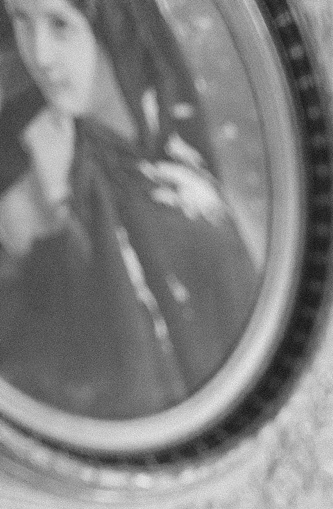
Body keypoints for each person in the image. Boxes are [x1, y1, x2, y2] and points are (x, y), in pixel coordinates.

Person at [0, 0, 260, 420]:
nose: (40, 54)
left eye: (60, 25)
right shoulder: (21, 157)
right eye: (20, 22)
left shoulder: (186, 186)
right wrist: (53, 206)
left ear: (112, 26)